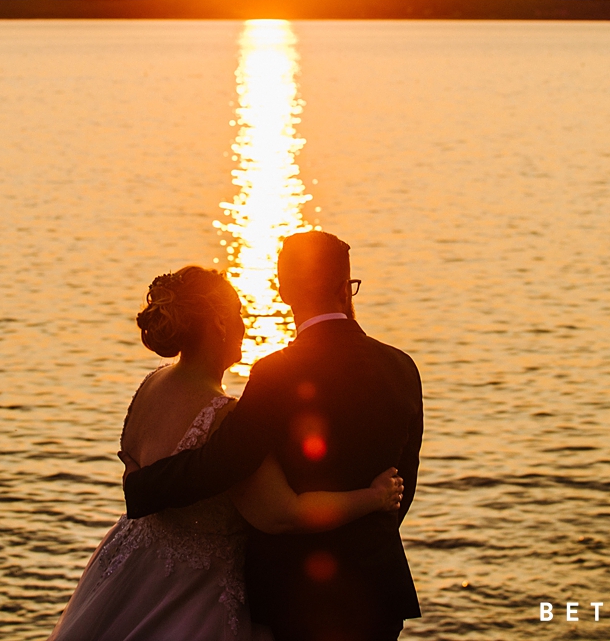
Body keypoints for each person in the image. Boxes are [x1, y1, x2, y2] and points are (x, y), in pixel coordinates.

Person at [48, 265, 404, 641]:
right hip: (194, 596)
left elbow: (132, 465)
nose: (245, 324)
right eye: (238, 313)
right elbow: (282, 515)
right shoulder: (224, 417)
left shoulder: (151, 384)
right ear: (218, 322)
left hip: (131, 572)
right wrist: (374, 496)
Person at [124, 232, 424, 641]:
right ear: (345, 288)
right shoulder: (402, 368)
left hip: (293, 597)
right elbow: (402, 484)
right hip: (377, 593)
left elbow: (223, 462)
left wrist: (142, 487)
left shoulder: (275, 374)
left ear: (282, 290)